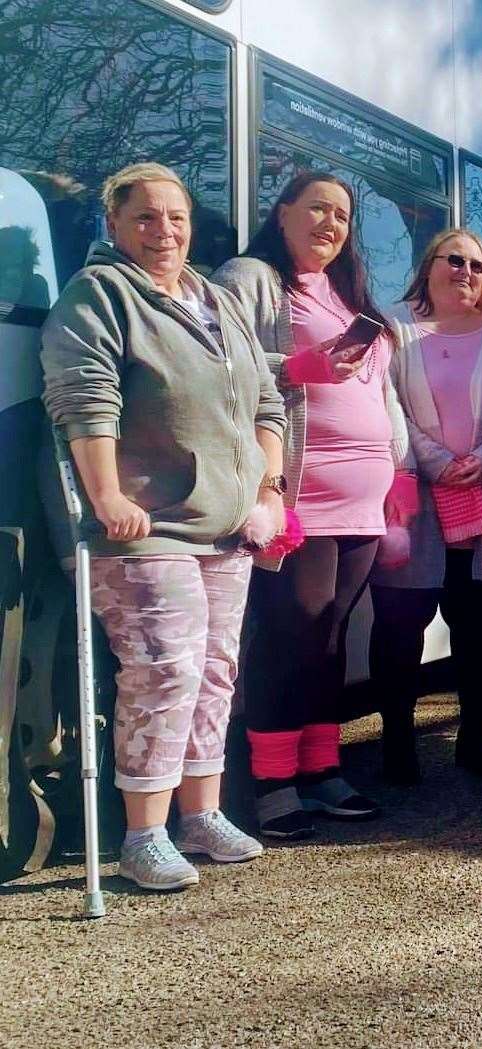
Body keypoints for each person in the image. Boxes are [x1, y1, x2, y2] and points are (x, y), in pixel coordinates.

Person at [41, 162, 286, 889]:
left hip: (226, 525)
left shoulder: (214, 297)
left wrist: (266, 490)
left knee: (215, 672)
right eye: (144, 217)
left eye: (174, 217)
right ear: (114, 225)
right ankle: (142, 833)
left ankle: (200, 814)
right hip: (144, 528)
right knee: (164, 672)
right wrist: (107, 494)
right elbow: (86, 400)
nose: (163, 231)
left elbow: (267, 402)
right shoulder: (100, 295)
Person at [215, 171, 414, 837]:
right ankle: (269, 780)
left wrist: (400, 470)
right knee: (288, 631)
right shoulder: (252, 277)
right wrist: (298, 368)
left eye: (342, 215)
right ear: (283, 212)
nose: (330, 223)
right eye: (317, 209)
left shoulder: (349, 296)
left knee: (331, 636)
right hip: (295, 490)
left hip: (363, 498)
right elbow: (215, 362)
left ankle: (321, 769)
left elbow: (382, 397)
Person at [369, 230, 482, 784]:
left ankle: (477, 742)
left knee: (479, 627)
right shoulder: (392, 328)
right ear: (428, 264)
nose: (465, 272)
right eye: (453, 260)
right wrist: (434, 460)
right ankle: (397, 747)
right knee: (399, 627)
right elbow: (382, 404)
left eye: (477, 266)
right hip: (413, 498)